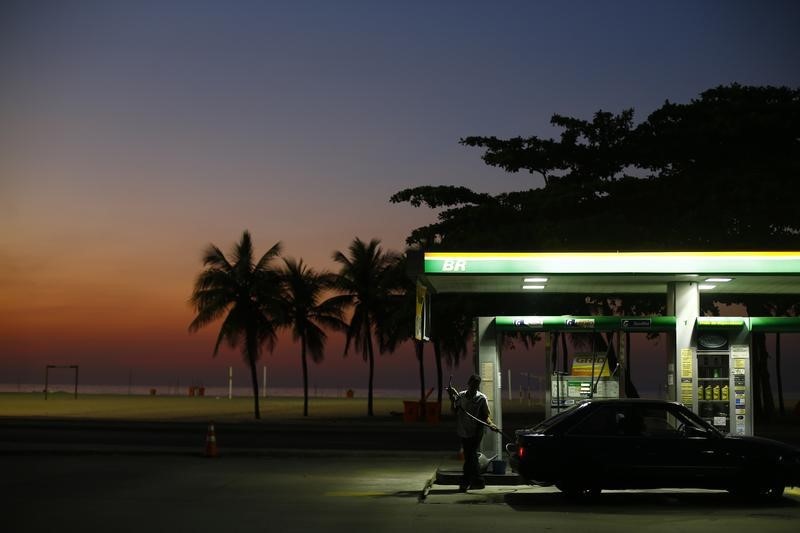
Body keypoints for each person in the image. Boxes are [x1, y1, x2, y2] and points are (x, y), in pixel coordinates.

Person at [449, 373, 497, 492]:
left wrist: (491, 424)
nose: (474, 387)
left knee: (469, 457)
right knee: (472, 457)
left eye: (476, 385)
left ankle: (465, 482)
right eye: (472, 384)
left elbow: (486, 415)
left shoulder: (482, 398)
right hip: (463, 431)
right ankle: (478, 481)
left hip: (476, 432)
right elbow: (454, 411)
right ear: (468, 383)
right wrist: (452, 399)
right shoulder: (460, 396)